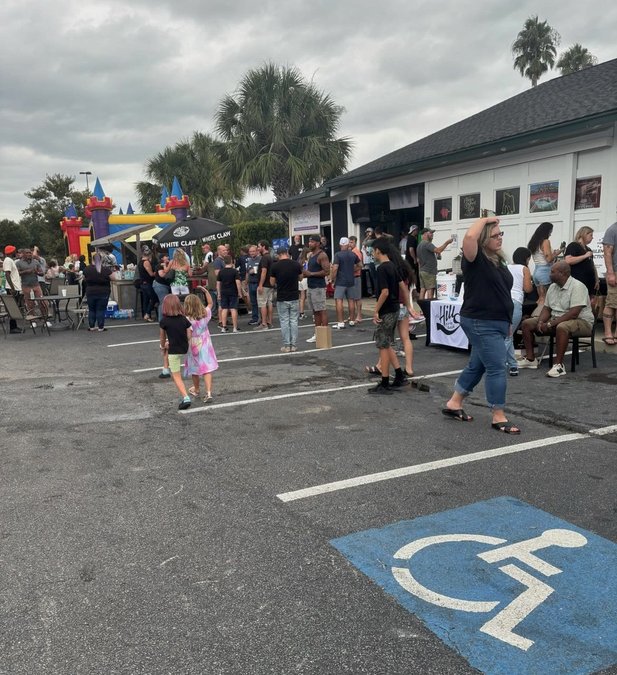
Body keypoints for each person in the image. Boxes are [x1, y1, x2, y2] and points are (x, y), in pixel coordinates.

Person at [442, 216, 520, 434]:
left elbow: (502, 292)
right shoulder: (474, 259)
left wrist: (507, 322)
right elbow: (469, 236)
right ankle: (498, 415)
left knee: (478, 365)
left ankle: (454, 402)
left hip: (497, 321)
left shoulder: (498, 260)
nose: (499, 238)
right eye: (494, 235)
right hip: (480, 321)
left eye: (500, 234)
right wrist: (486, 219)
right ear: (483, 239)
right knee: (497, 367)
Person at [518, 261, 595, 377]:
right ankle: (530, 359)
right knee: (527, 324)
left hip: (581, 321)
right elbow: (547, 308)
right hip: (556, 319)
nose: (549, 274)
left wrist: (550, 324)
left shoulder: (578, 286)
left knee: (562, 327)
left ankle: (558, 366)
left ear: (562, 273)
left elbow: (573, 313)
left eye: (552, 272)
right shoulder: (552, 287)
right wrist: (541, 322)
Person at [367, 238, 408, 394]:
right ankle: (399, 375)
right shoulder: (392, 265)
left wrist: (376, 310)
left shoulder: (382, 268)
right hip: (395, 308)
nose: (372, 254)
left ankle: (384, 382)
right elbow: (403, 287)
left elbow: (384, 292)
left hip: (387, 310)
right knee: (387, 343)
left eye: (373, 251)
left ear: (378, 250)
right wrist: (409, 306)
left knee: (383, 345)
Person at [183, 293, 218, 404]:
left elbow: (187, 335)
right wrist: (205, 291)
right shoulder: (204, 315)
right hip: (205, 344)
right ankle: (208, 393)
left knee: (195, 369)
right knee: (206, 368)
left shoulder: (187, 319)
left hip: (194, 345)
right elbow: (210, 303)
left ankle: (197, 389)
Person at [159, 294, 192, 410]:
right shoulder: (184, 319)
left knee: (176, 376)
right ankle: (165, 369)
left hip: (173, 351)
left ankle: (186, 397)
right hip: (184, 348)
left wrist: (162, 346)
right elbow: (189, 335)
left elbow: (162, 337)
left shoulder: (164, 321)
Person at [505, 247, 533, 376]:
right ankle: (497, 362)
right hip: (515, 302)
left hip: (503, 301)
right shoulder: (524, 269)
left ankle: (512, 365)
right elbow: (527, 289)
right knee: (508, 335)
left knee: (508, 335)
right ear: (526, 258)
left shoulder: (507, 267)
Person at [270, 246, 303, 352]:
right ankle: (293, 345)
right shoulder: (296, 264)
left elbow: (272, 283)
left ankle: (287, 345)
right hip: (294, 296)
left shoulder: (275, 266)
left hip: (282, 297)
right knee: (294, 321)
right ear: (287, 253)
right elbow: (301, 278)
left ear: (278, 255)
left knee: (284, 321)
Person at [331, 237, 362, 329]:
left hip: (340, 281)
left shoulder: (338, 255)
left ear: (340, 245)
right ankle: (352, 320)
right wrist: (352, 270)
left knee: (339, 300)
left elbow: (335, 268)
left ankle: (340, 322)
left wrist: (332, 279)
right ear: (348, 244)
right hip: (351, 280)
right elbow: (360, 265)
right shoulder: (353, 254)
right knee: (351, 300)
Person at [527, 222, 562, 306]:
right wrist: (558, 252)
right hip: (545, 272)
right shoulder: (545, 241)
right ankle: (540, 314)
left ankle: (536, 313)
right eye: (550, 232)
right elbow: (549, 259)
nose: (550, 234)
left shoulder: (534, 242)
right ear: (546, 231)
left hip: (536, 272)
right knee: (546, 301)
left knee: (541, 299)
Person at [304, 235, 330, 343]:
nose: (310, 244)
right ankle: (318, 334)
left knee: (321, 310)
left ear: (318, 243)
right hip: (311, 286)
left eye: (312, 242)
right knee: (315, 311)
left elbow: (327, 271)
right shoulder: (311, 255)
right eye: (309, 242)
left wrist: (311, 274)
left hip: (318, 287)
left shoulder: (322, 255)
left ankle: (324, 335)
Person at [564, 226, 599, 304]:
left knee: (588, 303)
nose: (592, 238)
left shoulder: (588, 249)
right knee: (578, 302)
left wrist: (597, 279)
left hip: (589, 281)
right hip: (578, 281)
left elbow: (592, 265)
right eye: (591, 235)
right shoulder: (573, 245)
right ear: (584, 234)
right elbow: (568, 260)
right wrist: (585, 256)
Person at [417, 228, 454, 299]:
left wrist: (437, 254)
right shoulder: (427, 244)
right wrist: (447, 243)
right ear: (425, 234)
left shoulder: (419, 245)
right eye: (430, 233)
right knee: (430, 289)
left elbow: (419, 259)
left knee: (423, 289)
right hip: (429, 271)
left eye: (432, 233)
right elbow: (438, 250)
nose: (432, 235)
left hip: (422, 271)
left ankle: (421, 305)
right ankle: (429, 305)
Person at [82, 253, 112, 332]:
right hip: (103, 292)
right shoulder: (105, 269)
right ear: (101, 260)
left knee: (91, 309)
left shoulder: (87, 269)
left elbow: (83, 279)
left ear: (92, 259)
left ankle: (91, 327)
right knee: (100, 310)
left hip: (90, 291)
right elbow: (114, 278)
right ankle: (100, 327)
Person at [217, 256, 243, 333]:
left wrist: (219, 293)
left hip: (223, 291)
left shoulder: (221, 272)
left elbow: (218, 283)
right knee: (233, 309)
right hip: (233, 291)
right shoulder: (234, 271)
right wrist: (239, 292)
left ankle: (224, 327)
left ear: (224, 262)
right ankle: (235, 327)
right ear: (231, 261)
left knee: (224, 308)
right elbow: (238, 282)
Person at [602, 220, 617, 345]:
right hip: (615, 273)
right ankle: (608, 333)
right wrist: (611, 273)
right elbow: (607, 253)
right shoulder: (612, 230)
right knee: (611, 303)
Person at [2, 245, 23, 333]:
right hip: (12, 288)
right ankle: (13, 327)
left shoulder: (10, 260)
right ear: (11, 252)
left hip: (14, 287)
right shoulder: (8, 260)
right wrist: (12, 288)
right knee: (12, 308)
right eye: (14, 251)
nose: (16, 252)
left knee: (14, 307)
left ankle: (14, 326)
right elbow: (7, 274)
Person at [256, 240, 274, 330]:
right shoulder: (270, 257)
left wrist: (260, 284)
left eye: (259, 246)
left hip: (264, 284)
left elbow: (264, 271)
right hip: (270, 284)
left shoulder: (264, 258)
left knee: (262, 303)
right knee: (269, 303)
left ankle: (264, 323)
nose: (258, 248)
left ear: (263, 247)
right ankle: (269, 322)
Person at [138, 246, 157, 321]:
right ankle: (147, 314)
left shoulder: (140, 262)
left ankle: (146, 315)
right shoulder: (146, 262)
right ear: (149, 255)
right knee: (154, 298)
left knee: (146, 300)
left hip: (142, 283)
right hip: (148, 283)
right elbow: (151, 274)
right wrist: (156, 273)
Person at [348, 236, 364, 323]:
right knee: (352, 298)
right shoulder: (350, 252)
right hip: (351, 277)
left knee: (357, 298)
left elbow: (359, 266)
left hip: (356, 277)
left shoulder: (356, 252)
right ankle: (352, 315)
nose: (350, 244)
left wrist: (350, 270)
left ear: (355, 242)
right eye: (349, 242)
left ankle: (359, 316)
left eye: (352, 242)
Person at [245, 244, 261, 325]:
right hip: (251, 284)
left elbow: (264, 271)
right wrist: (246, 283)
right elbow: (247, 272)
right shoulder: (249, 260)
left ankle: (263, 319)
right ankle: (255, 318)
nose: (251, 253)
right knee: (253, 302)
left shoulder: (261, 259)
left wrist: (255, 271)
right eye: (250, 251)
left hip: (258, 283)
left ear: (257, 251)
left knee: (261, 302)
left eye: (253, 251)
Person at [153, 256, 172, 322]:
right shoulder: (160, 265)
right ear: (162, 259)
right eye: (165, 257)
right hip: (160, 285)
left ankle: (165, 318)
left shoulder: (167, 265)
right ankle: (161, 320)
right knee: (163, 302)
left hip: (164, 285)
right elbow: (162, 275)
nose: (168, 257)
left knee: (165, 302)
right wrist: (167, 267)